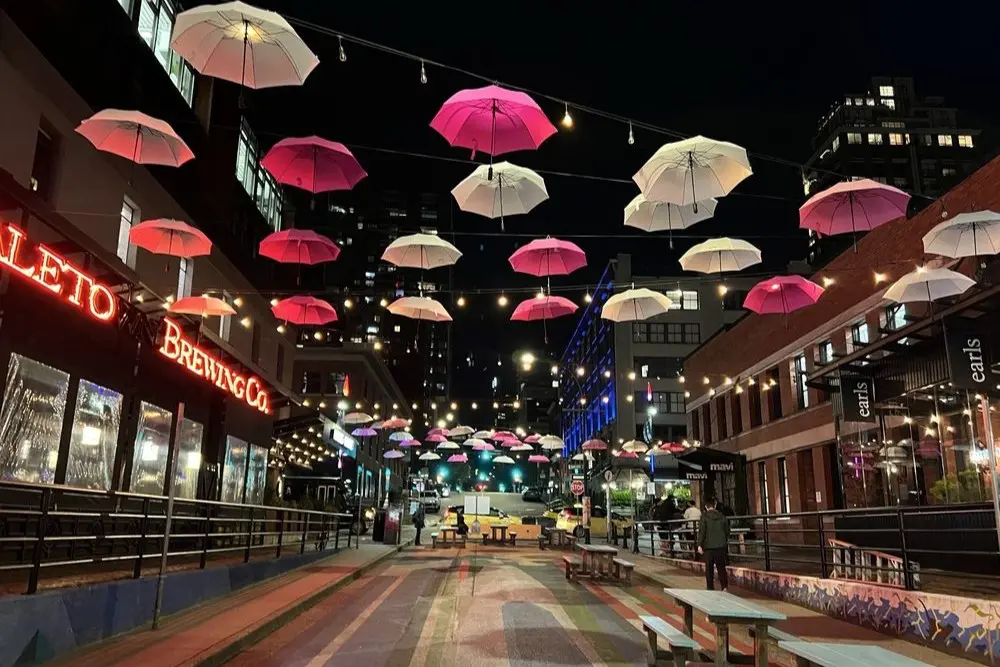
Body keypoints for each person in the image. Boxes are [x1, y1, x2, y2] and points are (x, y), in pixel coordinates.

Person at [697, 497, 730, 591]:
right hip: (721, 546)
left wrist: (699, 544)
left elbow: (702, 531)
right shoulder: (722, 516)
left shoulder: (704, 517)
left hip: (708, 547)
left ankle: (710, 587)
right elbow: (727, 531)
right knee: (721, 568)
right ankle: (724, 587)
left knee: (709, 569)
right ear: (715, 505)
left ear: (705, 507)